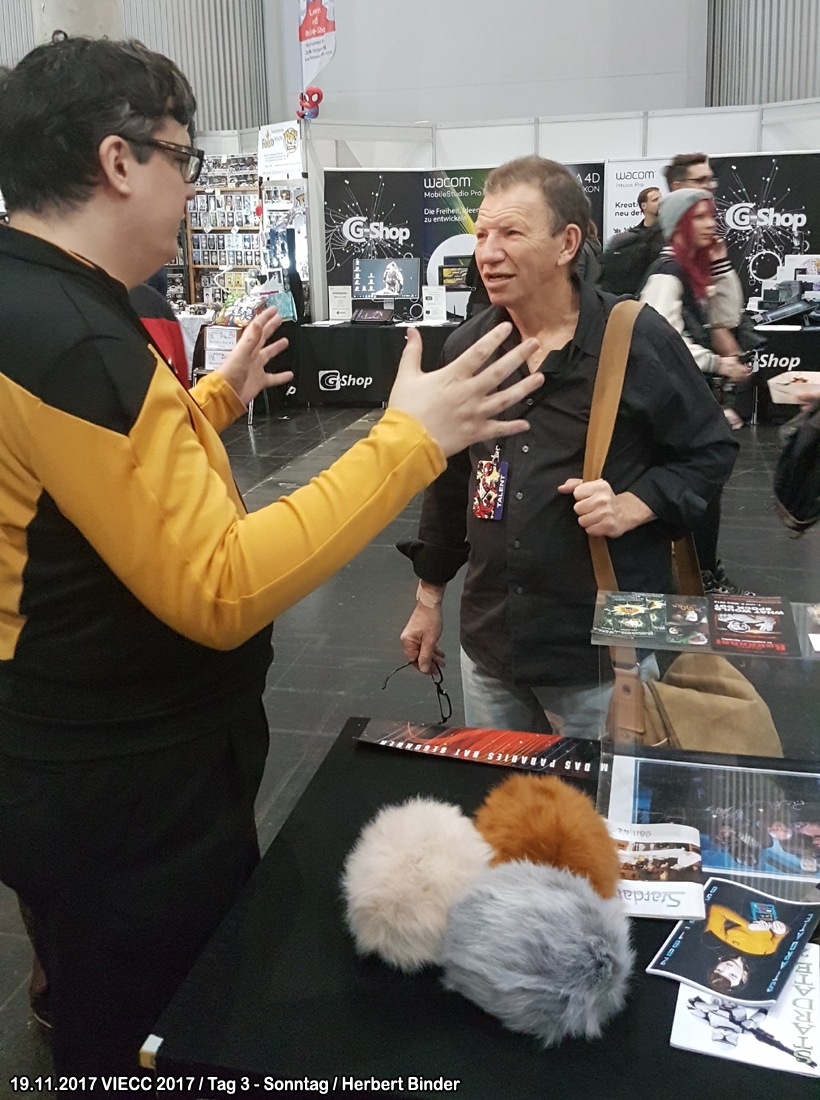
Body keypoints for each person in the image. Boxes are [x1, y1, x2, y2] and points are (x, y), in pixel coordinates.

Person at [0, 37, 545, 1077]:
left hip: (67, 756)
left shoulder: (37, 306)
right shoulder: (73, 341)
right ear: (118, 162)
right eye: (182, 157)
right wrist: (408, 440)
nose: (189, 189)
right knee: (154, 1023)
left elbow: (86, 486)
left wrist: (211, 400)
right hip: (124, 789)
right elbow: (217, 584)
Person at [398, 155, 737, 737]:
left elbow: (709, 449)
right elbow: (451, 484)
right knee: (503, 794)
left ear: (566, 243)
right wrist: (429, 599)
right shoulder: (469, 348)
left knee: (605, 794)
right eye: (482, 234)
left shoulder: (633, 337)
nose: (487, 252)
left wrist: (634, 504)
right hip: (492, 644)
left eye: (511, 233)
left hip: (605, 651)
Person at [640, 189, 752, 595]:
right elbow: (662, 339)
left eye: (711, 216)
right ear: (681, 224)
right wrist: (717, 364)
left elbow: (727, 317)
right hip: (667, 408)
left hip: (684, 402)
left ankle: (702, 572)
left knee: (706, 486)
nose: (710, 224)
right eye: (700, 217)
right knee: (702, 484)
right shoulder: (667, 274)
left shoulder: (689, 270)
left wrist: (720, 265)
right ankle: (700, 574)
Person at [598, 186, 663, 295]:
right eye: (655, 200)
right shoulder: (631, 238)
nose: (660, 202)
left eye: (661, 198)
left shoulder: (669, 233)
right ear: (644, 206)